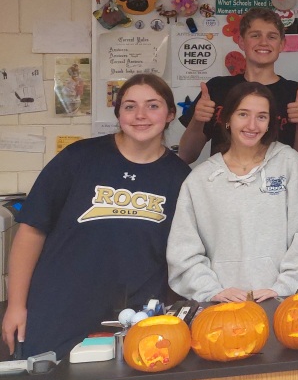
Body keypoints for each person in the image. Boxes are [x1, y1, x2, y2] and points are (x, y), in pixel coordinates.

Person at [2, 74, 191, 358]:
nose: (140, 115)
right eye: (129, 107)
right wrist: (15, 305)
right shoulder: (79, 158)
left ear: (170, 114)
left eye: (153, 106)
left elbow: (181, 254)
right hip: (59, 307)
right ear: (118, 114)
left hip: (134, 316)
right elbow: (31, 231)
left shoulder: (181, 177)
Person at [168, 82, 298, 302]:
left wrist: (283, 287)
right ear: (227, 118)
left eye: (261, 116)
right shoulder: (200, 180)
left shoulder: (289, 165)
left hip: (280, 302)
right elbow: (183, 250)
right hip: (221, 306)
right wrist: (212, 291)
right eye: (243, 114)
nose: (252, 125)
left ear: (270, 123)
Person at [178, 7, 298, 163]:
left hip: (279, 185)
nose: (263, 42)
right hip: (224, 185)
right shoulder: (216, 88)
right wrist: (197, 119)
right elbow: (187, 155)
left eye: (272, 37)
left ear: (282, 44)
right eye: (255, 35)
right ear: (241, 42)